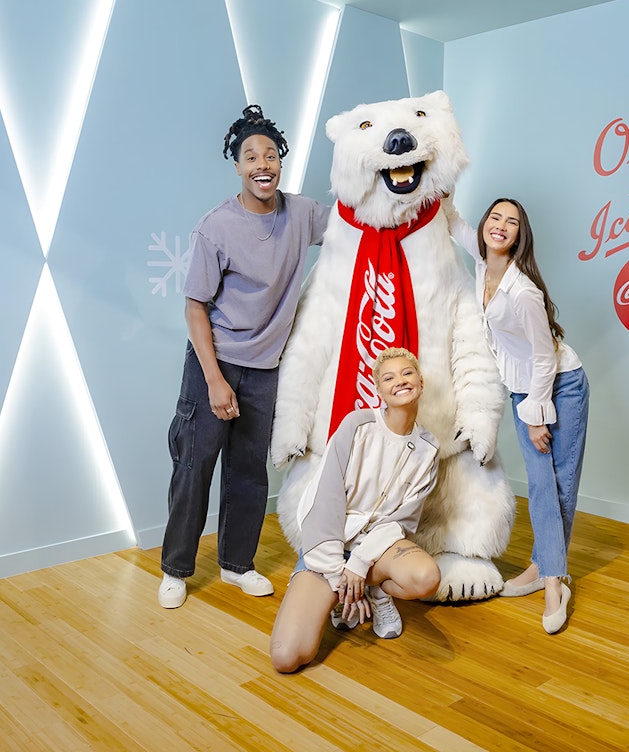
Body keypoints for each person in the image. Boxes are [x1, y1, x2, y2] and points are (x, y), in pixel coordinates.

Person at [159, 105, 330, 609]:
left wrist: (424, 200)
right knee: (194, 465)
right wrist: (213, 380)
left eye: (271, 155)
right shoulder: (216, 227)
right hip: (215, 361)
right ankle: (176, 569)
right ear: (237, 165)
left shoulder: (300, 213)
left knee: (250, 470)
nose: (263, 163)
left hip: (265, 368)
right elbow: (195, 309)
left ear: (280, 162)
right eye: (250, 155)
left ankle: (238, 564)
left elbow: (355, 221)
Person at [448, 197, 589, 634]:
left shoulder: (523, 291)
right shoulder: (483, 264)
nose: (501, 226)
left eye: (511, 222)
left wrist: (535, 413)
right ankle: (545, 568)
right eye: (495, 218)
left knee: (555, 485)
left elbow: (545, 357)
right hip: (524, 390)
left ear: (519, 235)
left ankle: (551, 584)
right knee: (544, 485)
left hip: (560, 386)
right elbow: (453, 220)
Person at [269, 347, 441, 673]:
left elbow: (400, 521)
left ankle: (374, 589)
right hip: (327, 546)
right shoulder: (358, 425)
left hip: (376, 550)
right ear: (379, 391)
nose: (400, 381)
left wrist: (359, 566)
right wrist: (339, 574)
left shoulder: (429, 449)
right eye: (389, 377)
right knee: (286, 657)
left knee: (425, 577)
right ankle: (344, 594)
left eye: (407, 373)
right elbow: (324, 503)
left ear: (420, 381)